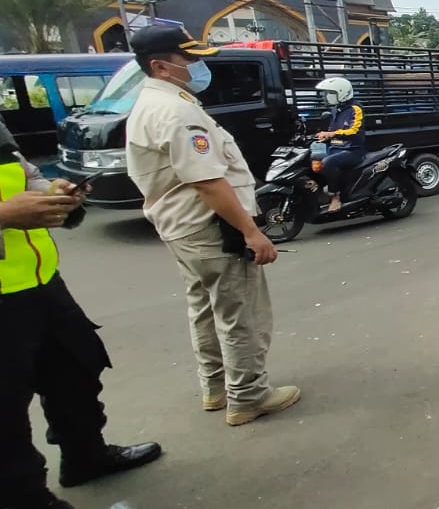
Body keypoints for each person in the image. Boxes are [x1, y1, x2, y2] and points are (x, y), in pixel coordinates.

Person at [124, 25, 300, 427]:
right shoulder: (177, 110)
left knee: (203, 307)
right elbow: (207, 181)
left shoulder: (152, 104)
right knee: (239, 311)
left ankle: (216, 387)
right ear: (160, 65)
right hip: (211, 226)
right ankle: (249, 396)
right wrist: (252, 232)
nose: (199, 65)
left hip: (181, 228)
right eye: (189, 59)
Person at [0, 121, 162, 509]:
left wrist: (56, 195)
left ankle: (85, 458)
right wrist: (3, 214)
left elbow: (26, 174)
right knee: (5, 415)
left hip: (39, 284)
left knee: (76, 372)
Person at [313, 77, 365, 212]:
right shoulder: (336, 109)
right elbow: (332, 130)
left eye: (330, 93)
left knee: (328, 162)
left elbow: (354, 130)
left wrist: (331, 134)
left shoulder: (355, 108)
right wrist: (323, 136)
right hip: (335, 148)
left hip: (352, 150)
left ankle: (335, 196)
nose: (327, 97)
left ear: (342, 93)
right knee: (311, 158)